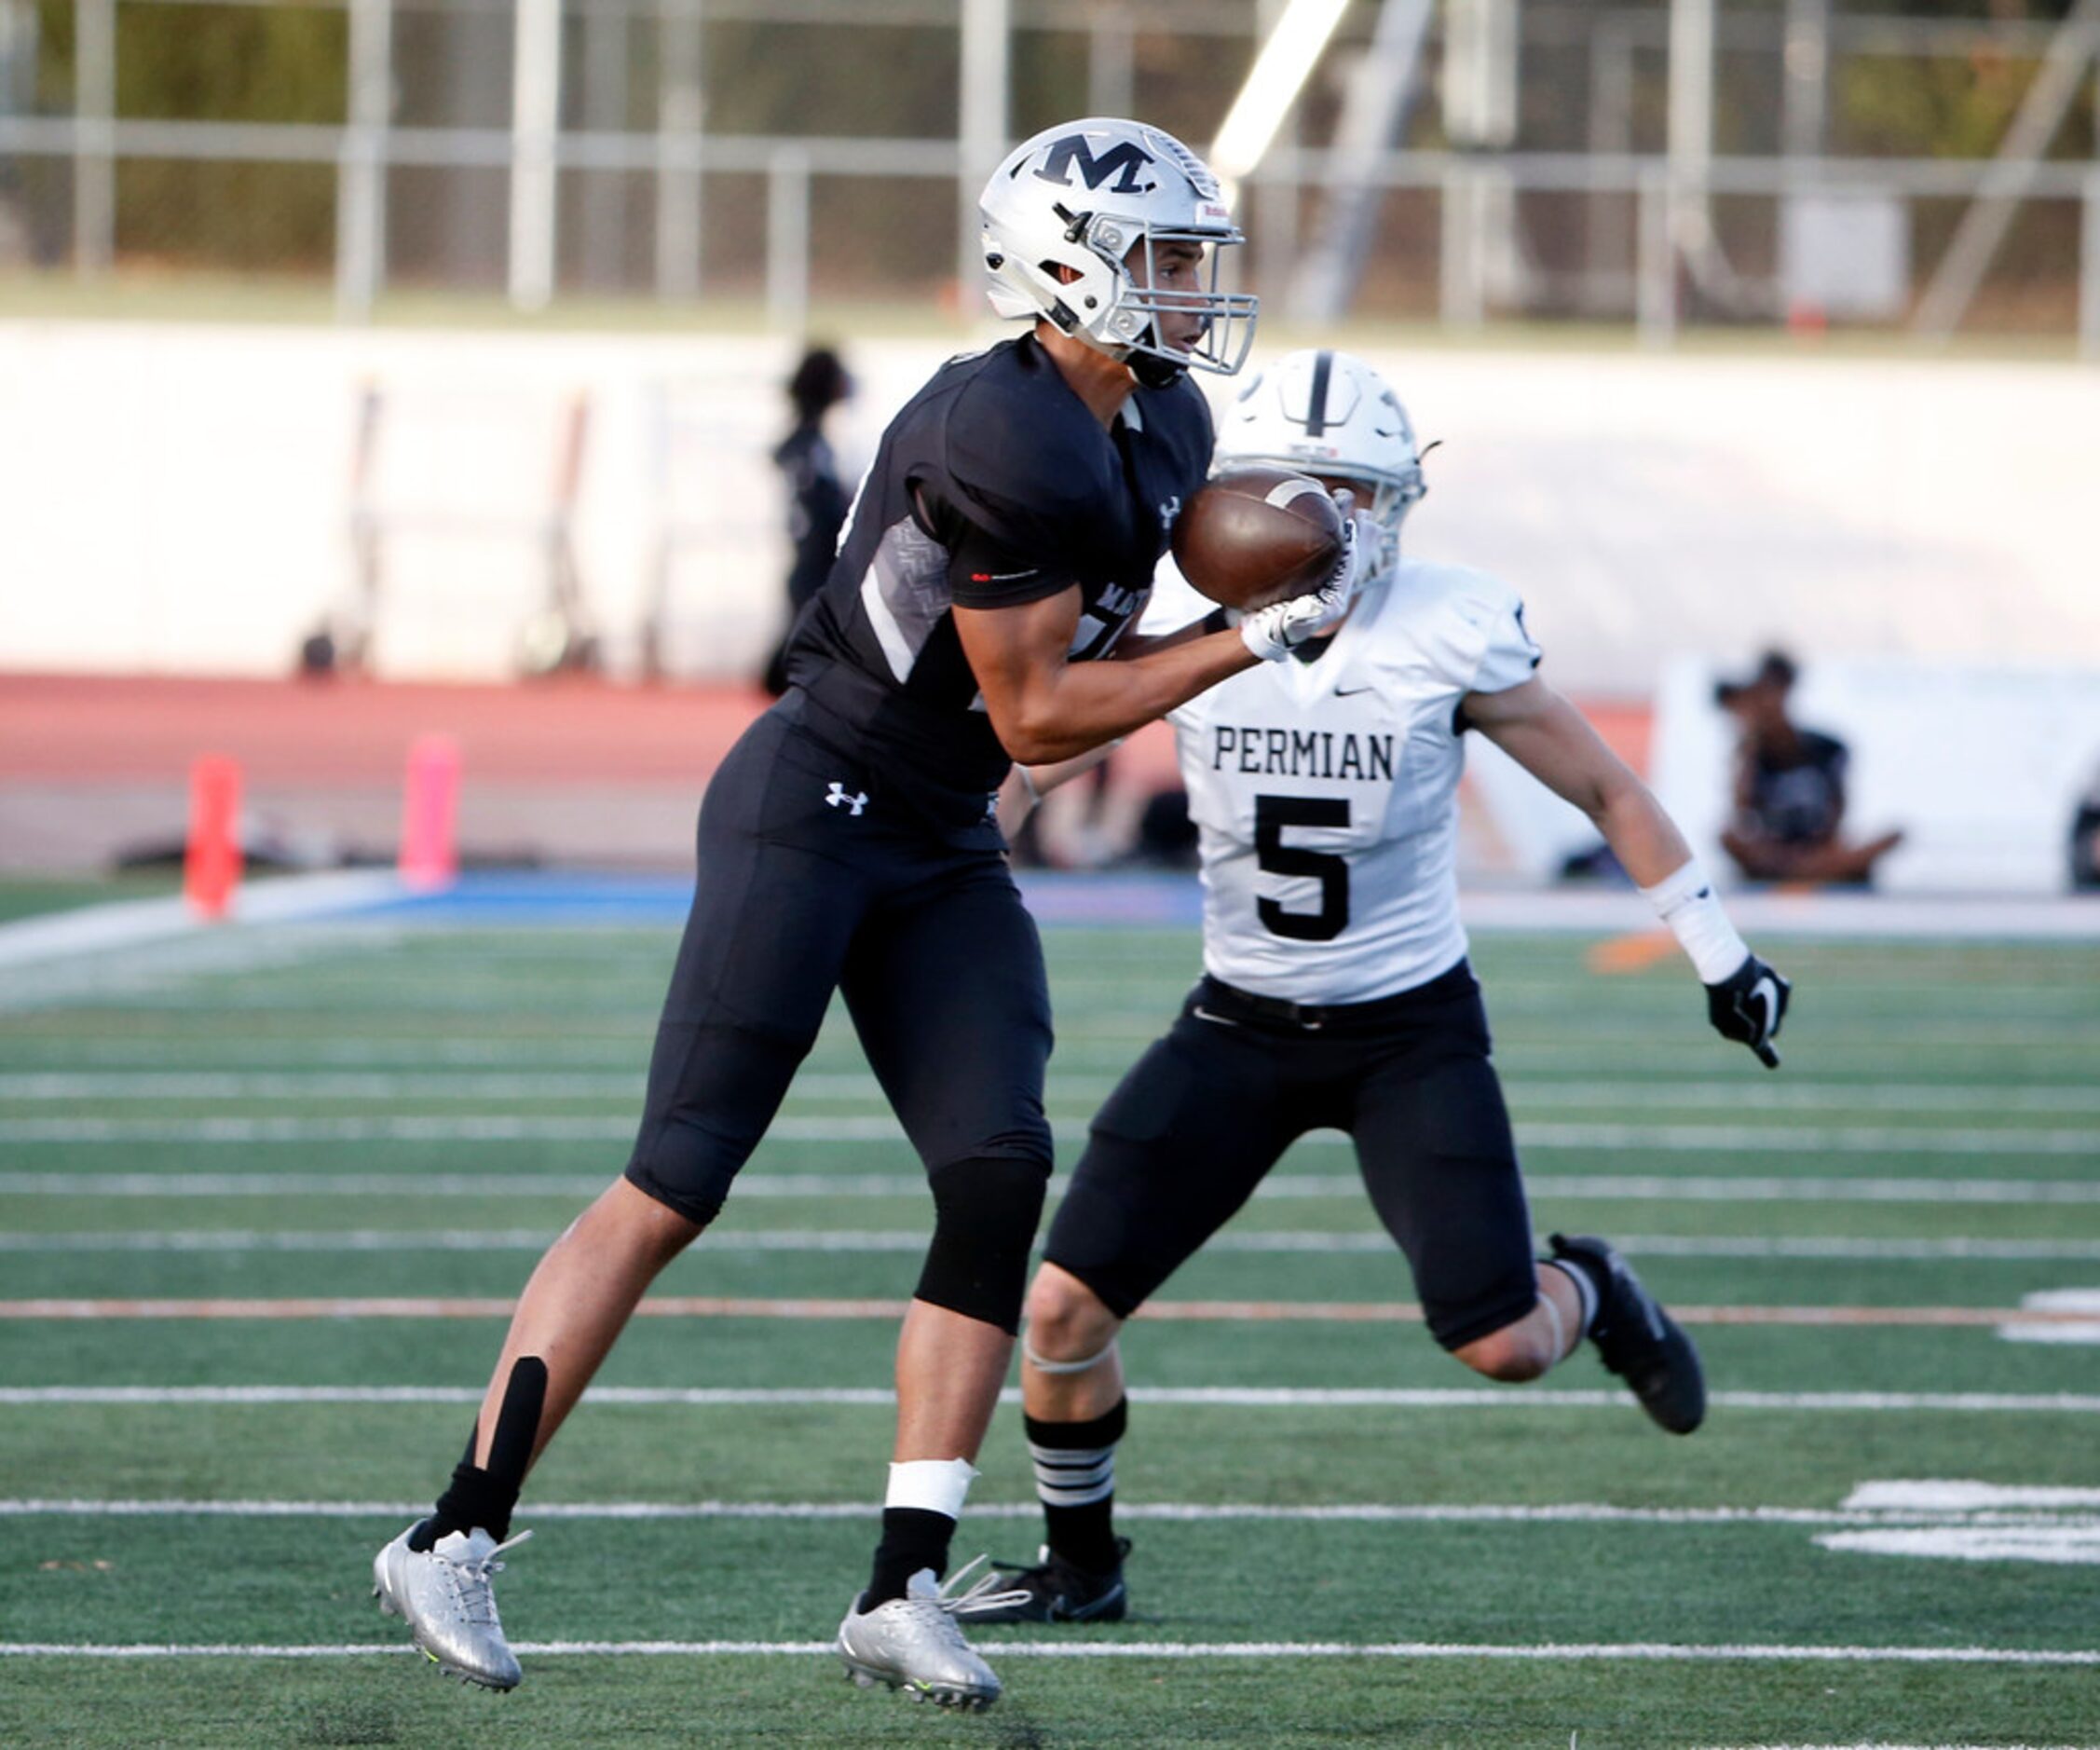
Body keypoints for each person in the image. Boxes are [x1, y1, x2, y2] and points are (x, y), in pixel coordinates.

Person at [370, 118, 1372, 1713]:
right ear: (1065, 268)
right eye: (1162, 260)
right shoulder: (999, 430)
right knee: (675, 1177)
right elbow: (1042, 715)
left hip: (932, 834)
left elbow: (1097, 656)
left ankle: (901, 1579)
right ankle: (452, 1528)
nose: (1189, 292)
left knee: (995, 1167)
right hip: (810, 804)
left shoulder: (1162, 419)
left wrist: (1281, 564)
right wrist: (1260, 637)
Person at [962, 350, 1793, 1627]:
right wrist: (937, 842)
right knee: (1061, 1309)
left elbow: (1604, 789)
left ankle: (1595, 1284)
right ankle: (1083, 1564)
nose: (1327, 524)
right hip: (1235, 1022)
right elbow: (1042, 746)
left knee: (1504, 1342)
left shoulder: (1445, 629)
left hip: (1406, 1027)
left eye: (1353, 493)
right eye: (1302, 492)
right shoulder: (1196, 626)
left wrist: (1716, 950)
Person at [1715, 649, 1902, 885]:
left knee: (1891, 836)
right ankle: (1813, 873)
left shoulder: (1827, 748)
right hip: (1775, 854)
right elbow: (1740, 815)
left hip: (1819, 851)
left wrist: (1819, 850)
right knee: (1729, 838)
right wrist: (1749, 748)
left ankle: (1807, 872)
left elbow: (1838, 809)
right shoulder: (1750, 755)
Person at [759, 346, 855, 697]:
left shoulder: (812, 445)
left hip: (811, 568)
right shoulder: (808, 449)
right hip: (815, 569)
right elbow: (823, 511)